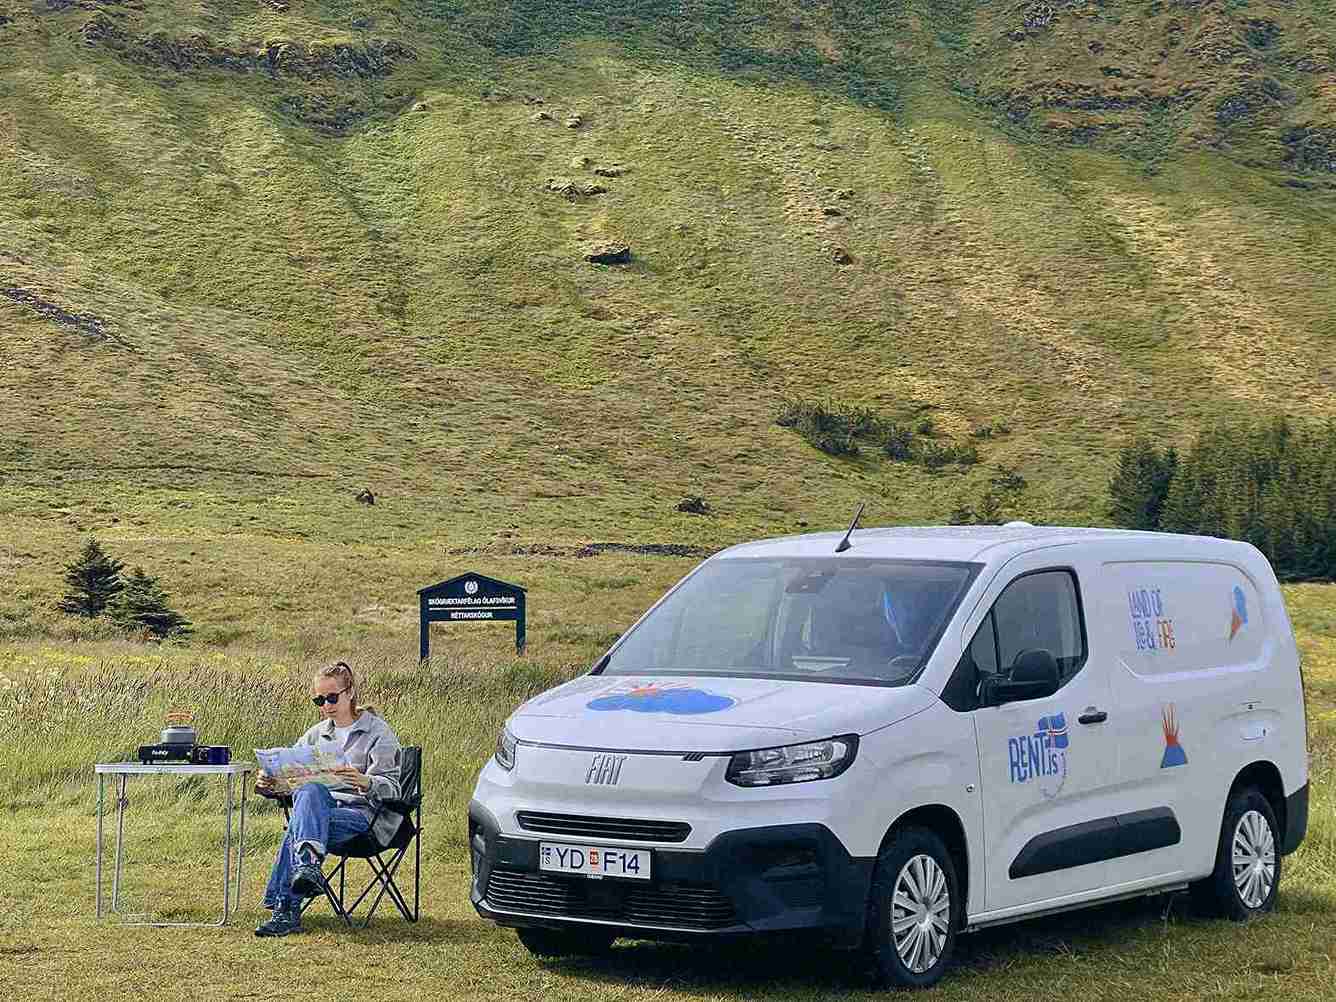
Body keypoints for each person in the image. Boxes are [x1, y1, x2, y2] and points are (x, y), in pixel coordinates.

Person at [254, 660, 403, 937]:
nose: (326, 705)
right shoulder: (316, 734)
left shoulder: (378, 732)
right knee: (310, 791)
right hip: (322, 815)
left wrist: (365, 781)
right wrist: (270, 782)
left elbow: (394, 789)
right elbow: (291, 779)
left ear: (350, 692)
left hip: (363, 818)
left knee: (300, 824)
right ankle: (307, 867)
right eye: (319, 700)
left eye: (332, 697)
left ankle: (285, 908)